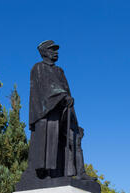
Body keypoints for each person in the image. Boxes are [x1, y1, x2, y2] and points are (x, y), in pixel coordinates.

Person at [27, 40, 95, 181]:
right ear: (44, 52)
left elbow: (66, 90)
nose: (56, 52)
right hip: (49, 113)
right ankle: (46, 173)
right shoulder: (38, 68)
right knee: (50, 143)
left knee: (75, 139)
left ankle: (80, 172)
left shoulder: (59, 70)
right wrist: (62, 96)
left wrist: (67, 100)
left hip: (65, 112)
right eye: (52, 50)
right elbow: (46, 88)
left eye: (56, 50)